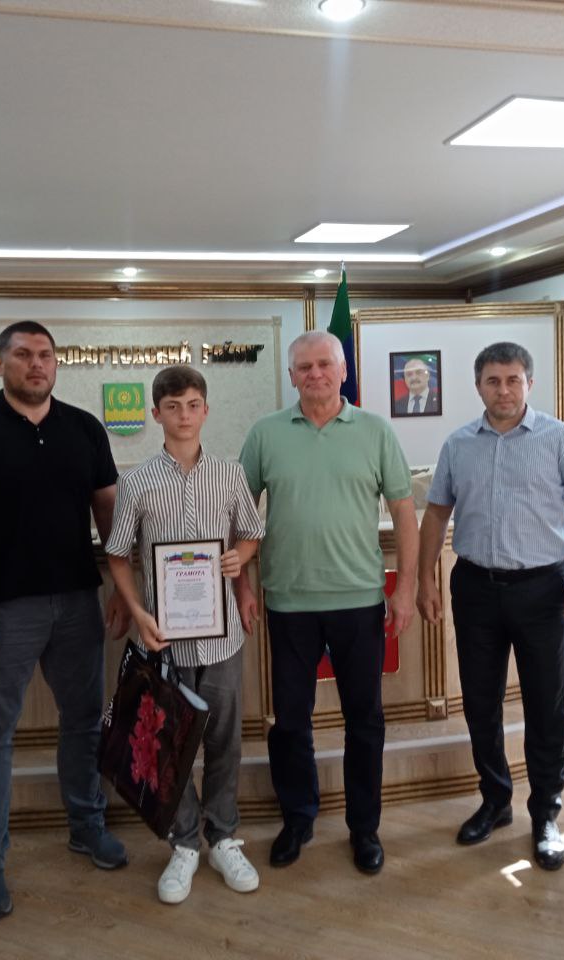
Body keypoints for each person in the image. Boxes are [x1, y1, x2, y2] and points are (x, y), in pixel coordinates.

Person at [0, 321, 129, 921]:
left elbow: (111, 517)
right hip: (1, 611)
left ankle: (86, 824)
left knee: (84, 722)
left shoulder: (84, 428)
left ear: (56, 364)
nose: (36, 364)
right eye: (22, 354)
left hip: (77, 603)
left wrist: (125, 592)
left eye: (45, 355)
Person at [416, 342, 564, 872]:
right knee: (481, 703)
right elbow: (435, 516)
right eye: (494, 380)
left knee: (546, 704)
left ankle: (545, 814)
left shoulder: (559, 439)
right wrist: (425, 579)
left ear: (529, 384)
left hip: (542, 590)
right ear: (479, 386)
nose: (504, 390)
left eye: (514, 379)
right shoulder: (459, 445)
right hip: (475, 587)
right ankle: (495, 800)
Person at [238, 330, 418, 875]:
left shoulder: (375, 431)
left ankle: (365, 828)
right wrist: (242, 585)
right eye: (304, 366)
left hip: (359, 600)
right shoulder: (265, 434)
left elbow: (404, 513)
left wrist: (406, 588)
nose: (314, 374)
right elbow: (239, 516)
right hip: (287, 602)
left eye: (324, 364)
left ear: (343, 372)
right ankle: (298, 818)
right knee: (290, 721)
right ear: (291, 376)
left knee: (365, 720)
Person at [105, 365, 265, 904]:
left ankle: (223, 837)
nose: (184, 415)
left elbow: (251, 535)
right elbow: (118, 555)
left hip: (221, 639)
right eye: (172, 407)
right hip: (164, 640)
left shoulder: (230, 474)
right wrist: (137, 612)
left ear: (206, 410)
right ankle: (184, 842)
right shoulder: (136, 482)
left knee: (223, 740)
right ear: (156, 414)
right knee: (169, 742)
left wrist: (238, 558)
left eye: (193, 405)